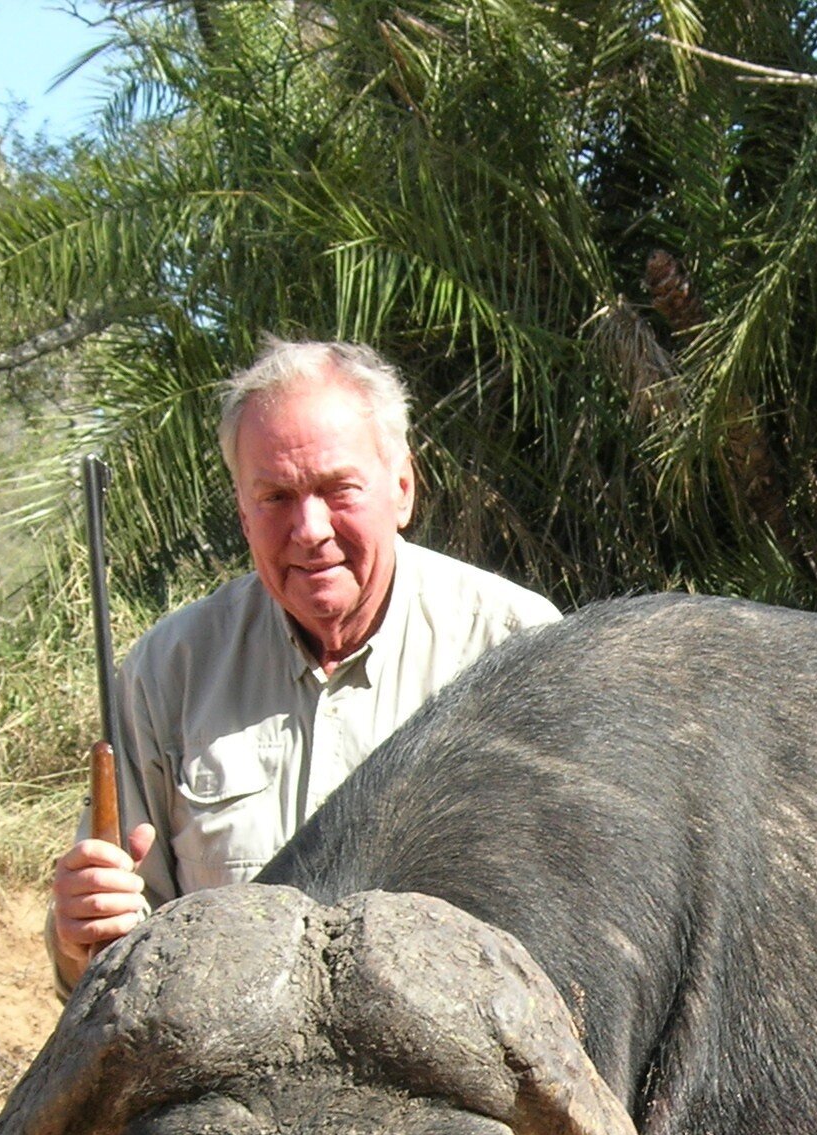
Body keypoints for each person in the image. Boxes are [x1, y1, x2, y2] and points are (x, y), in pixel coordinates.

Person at [48, 339, 559, 989]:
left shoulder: (517, 647)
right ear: (242, 511)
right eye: (277, 497)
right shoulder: (168, 670)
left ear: (402, 489)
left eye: (336, 488)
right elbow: (101, 956)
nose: (310, 528)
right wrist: (80, 932)